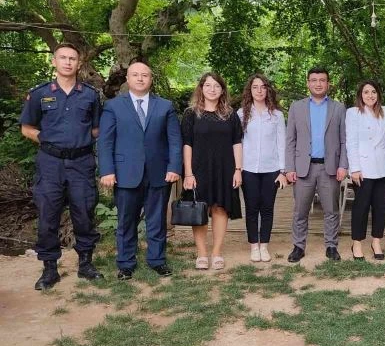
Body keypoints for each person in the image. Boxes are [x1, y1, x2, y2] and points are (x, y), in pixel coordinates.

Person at [20, 43, 104, 290]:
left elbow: (97, 128)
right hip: (50, 163)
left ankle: (86, 264)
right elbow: (27, 128)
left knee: (84, 212)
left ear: (79, 64)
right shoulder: (39, 94)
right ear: (54, 62)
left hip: (81, 162)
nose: (68, 62)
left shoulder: (89, 94)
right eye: (63, 58)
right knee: (48, 215)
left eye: (73, 58)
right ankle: (49, 269)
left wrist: (83, 141)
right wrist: (45, 140)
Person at [98, 60, 182, 280]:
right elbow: (105, 142)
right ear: (127, 79)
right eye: (135, 75)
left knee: (156, 220)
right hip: (125, 173)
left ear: (151, 79)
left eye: (145, 75)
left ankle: (157, 260)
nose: (140, 78)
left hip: (159, 172)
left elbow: (174, 140)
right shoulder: (114, 106)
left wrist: (174, 167)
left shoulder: (165, 106)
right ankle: (125, 264)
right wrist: (107, 170)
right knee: (126, 221)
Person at [284, 67, 348, 262]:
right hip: (304, 168)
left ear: (328, 84)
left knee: (331, 210)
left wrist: (343, 165)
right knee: (300, 211)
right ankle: (298, 246)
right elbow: (290, 140)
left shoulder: (338, 108)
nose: (318, 83)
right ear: (308, 83)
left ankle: (331, 246)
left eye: (322, 80)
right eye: (314, 80)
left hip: (330, 167)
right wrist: (290, 168)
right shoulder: (297, 107)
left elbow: (345, 140)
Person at [181, 72, 243, 270]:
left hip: (225, 169)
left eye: (216, 86)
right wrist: (188, 173)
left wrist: (238, 170)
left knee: (220, 208)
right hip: (198, 169)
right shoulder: (191, 114)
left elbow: (237, 143)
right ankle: (202, 253)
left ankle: (216, 252)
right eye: (208, 85)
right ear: (201, 88)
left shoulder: (231, 114)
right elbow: (187, 145)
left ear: (222, 90)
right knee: (199, 208)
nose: (212, 89)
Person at [345, 81, 385, 261]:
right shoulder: (353, 113)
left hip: (384, 168)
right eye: (366, 92)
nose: (370, 95)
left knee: (381, 207)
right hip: (363, 169)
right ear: (360, 95)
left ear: (378, 94)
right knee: (361, 208)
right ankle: (357, 242)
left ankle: (376, 241)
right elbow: (351, 142)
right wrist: (354, 168)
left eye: (373, 92)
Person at [237, 74, 287, 263]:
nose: (259, 90)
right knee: (251, 208)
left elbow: (281, 143)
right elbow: (238, 143)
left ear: (268, 90)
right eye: (255, 87)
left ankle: (264, 245)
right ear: (250, 90)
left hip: (271, 169)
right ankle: (253, 246)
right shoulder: (241, 114)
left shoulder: (277, 115)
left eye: (263, 87)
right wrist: (237, 168)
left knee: (267, 208)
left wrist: (282, 171)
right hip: (248, 169)